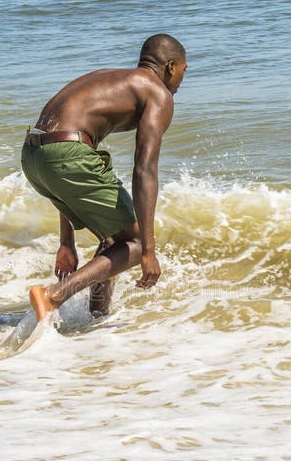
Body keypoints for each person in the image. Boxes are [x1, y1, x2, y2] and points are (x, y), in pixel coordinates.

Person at [21, 33, 187, 321]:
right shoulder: (156, 92)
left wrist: (67, 242)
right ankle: (52, 296)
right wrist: (148, 250)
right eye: (184, 71)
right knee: (132, 244)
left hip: (34, 155)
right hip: (67, 154)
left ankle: (96, 318)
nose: (181, 82)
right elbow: (144, 168)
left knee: (115, 243)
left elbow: (61, 158)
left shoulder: (107, 79)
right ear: (171, 66)